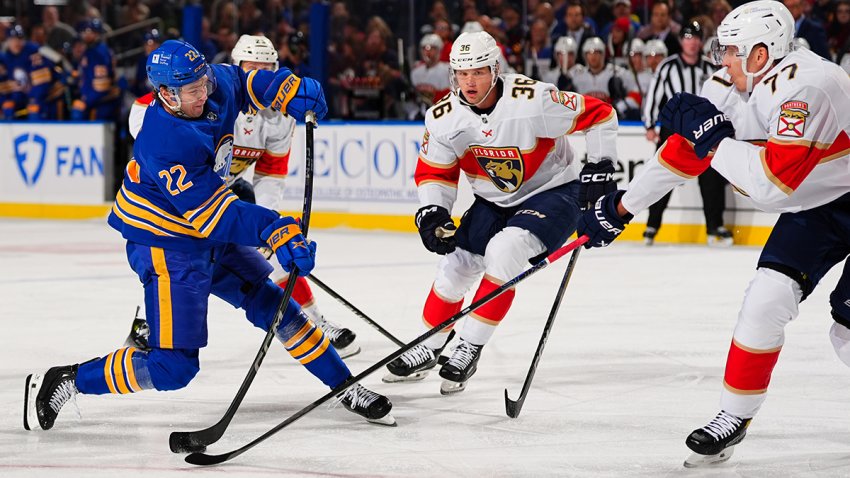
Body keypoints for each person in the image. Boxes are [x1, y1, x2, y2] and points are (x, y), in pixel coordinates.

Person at [23, 39, 395, 433]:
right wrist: (274, 229)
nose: (204, 92)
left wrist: (286, 90)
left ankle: (344, 384)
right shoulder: (164, 140)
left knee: (276, 306)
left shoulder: (207, 83)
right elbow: (212, 214)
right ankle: (67, 379)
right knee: (173, 367)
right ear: (165, 94)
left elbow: (242, 80)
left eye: (203, 83)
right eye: (193, 90)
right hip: (166, 243)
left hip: (204, 230)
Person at [577, 1, 850, 467]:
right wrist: (623, 207)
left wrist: (715, 140)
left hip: (819, 199)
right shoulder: (729, 84)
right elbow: (685, 152)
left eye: (731, 51)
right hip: (818, 208)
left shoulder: (809, 87)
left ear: (761, 54)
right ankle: (734, 414)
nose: (721, 60)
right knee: (764, 302)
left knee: (845, 328)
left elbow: (770, 185)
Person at [382, 31, 619, 394]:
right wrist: (433, 211)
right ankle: (429, 344)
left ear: (495, 69)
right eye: (462, 74)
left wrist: (601, 166)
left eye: (477, 72)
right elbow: (435, 171)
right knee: (455, 265)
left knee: (504, 252)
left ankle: (469, 345)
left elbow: (601, 115)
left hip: (554, 193)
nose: (469, 82)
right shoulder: (443, 117)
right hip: (494, 201)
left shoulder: (533, 99)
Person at [126, 34, 362, 359]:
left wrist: (266, 224)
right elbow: (153, 125)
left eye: (268, 67)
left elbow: (271, 176)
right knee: (171, 257)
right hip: (175, 197)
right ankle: (147, 323)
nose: (262, 73)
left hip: (222, 196)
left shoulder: (277, 121)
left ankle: (313, 321)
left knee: (274, 260)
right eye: (253, 67)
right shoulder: (212, 100)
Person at [641, 20, 729, 246]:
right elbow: (654, 94)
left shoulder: (710, 67)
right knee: (665, 173)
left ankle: (714, 227)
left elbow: (722, 95)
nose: (692, 43)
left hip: (705, 126)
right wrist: (650, 124)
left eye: (696, 38)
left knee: (712, 179)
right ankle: (652, 225)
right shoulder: (668, 66)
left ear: (701, 42)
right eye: (688, 38)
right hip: (676, 128)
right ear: (681, 41)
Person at [571, 36, 641, 120]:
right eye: (589, 52)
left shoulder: (618, 73)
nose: (593, 56)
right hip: (585, 120)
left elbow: (637, 96)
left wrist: (620, 105)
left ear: (603, 54)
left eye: (597, 52)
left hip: (611, 119)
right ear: (585, 55)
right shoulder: (577, 76)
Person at [71, 19, 119, 121]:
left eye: (89, 32)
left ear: (97, 33)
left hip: (101, 102)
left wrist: (87, 101)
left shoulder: (99, 52)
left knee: (77, 111)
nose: (85, 35)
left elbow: (101, 85)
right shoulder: (90, 50)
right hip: (92, 98)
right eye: (84, 32)